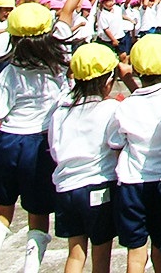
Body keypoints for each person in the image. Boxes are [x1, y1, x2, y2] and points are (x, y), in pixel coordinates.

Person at [0, 0, 96, 273]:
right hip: (42, 145)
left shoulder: (11, 68)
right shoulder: (59, 57)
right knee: (38, 211)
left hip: (7, 143)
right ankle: (31, 268)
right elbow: (68, 10)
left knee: (1, 209)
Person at [110, 32, 161, 273]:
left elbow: (117, 144)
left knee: (135, 251)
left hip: (132, 182)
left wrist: (128, 81)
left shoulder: (125, 106)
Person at [48, 43, 123, 273]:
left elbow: (54, 148)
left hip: (66, 188)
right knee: (101, 252)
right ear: (107, 82)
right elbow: (117, 144)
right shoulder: (110, 108)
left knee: (75, 251)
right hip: (97, 186)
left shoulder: (60, 111)